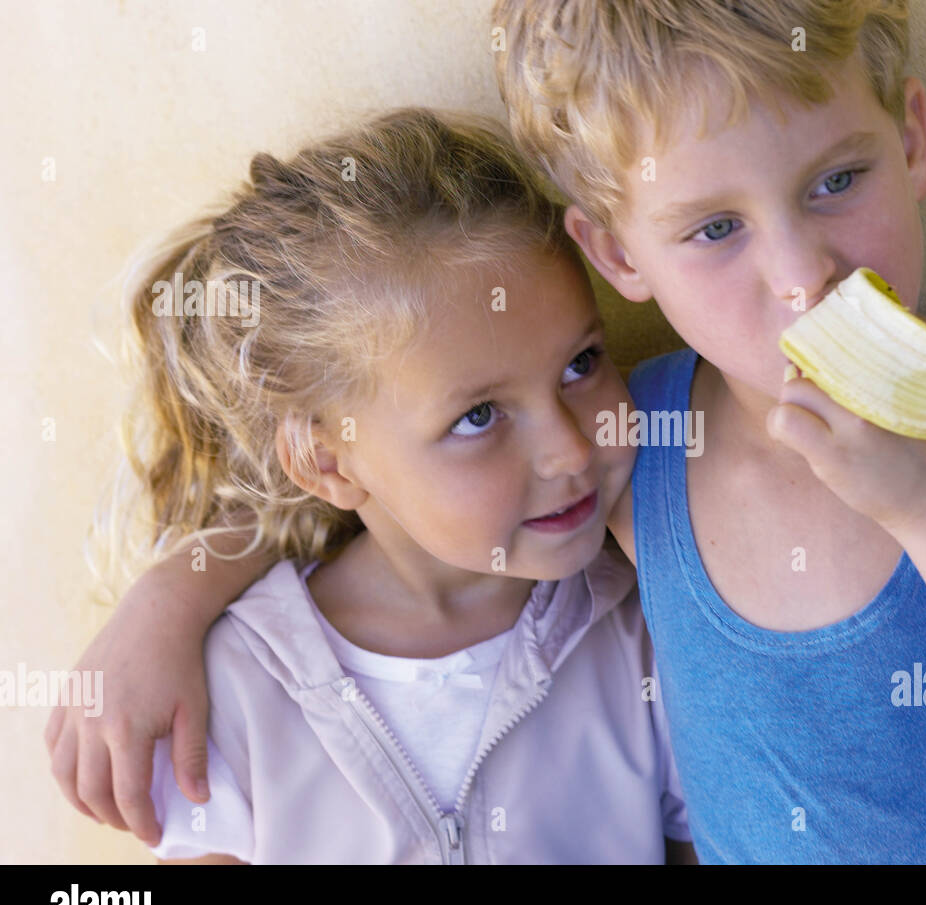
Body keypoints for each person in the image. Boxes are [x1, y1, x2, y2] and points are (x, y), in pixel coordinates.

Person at [51, 0, 926, 864]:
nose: (798, 274)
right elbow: (410, 492)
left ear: (915, 138)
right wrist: (171, 599)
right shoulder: (635, 450)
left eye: (837, 180)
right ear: (617, 256)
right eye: (712, 229)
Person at [51, 106, 692, 863]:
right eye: (479, 415)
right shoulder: (236, 690)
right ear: (329, 463)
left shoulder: (651, 628)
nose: (569, 449)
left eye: (581, 365)